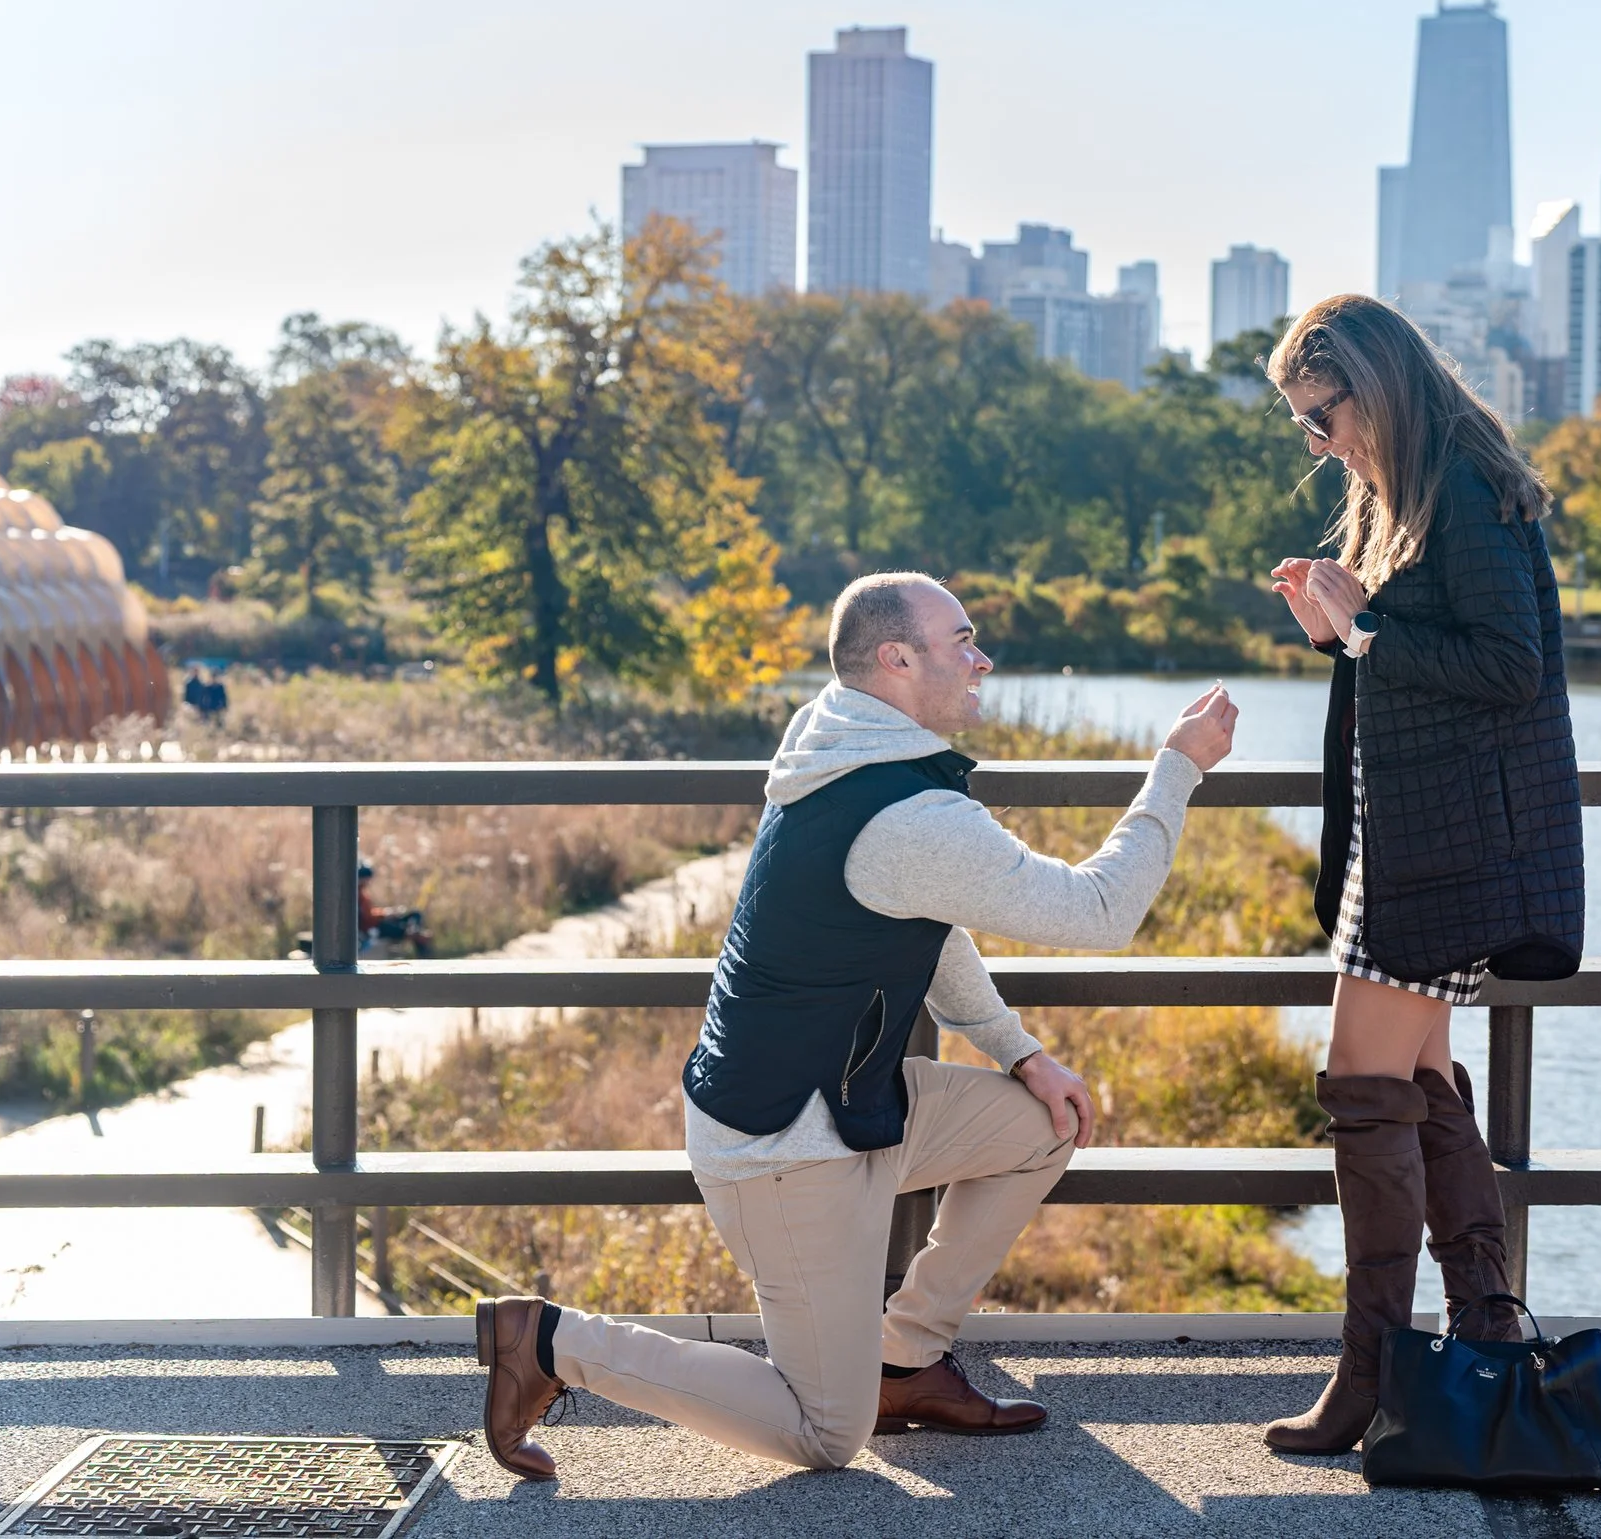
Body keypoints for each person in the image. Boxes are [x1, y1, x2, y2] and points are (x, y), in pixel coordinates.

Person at [475, 571, 1238, 1479]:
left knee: (1046, 1122)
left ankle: (905, 1358)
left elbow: (931, 923)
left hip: (847, 1100)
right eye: (962, 639)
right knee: (826, 1435)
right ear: (897, 657)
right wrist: (1178, 764)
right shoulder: (906, 806)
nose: (981, 657)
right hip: (786, 1148)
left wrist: (1020, 1051)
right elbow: (1101, 911)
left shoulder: (838, 744)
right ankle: (552, 1341)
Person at [1259, 294, 1584, 1454]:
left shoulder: (1464, 489)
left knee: (1360, 1080)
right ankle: (1484, 1344)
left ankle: (1371, 1377)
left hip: (1449, 850)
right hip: (1410, 840)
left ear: (1374, 383)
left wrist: (1365, 635)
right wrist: (1335, 619)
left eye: (1322, 413)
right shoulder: (1400, 491)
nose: (1320, 442)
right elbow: (1400, 652)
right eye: (1305, 424)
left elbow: (1508, 665)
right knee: (1426, 1076)